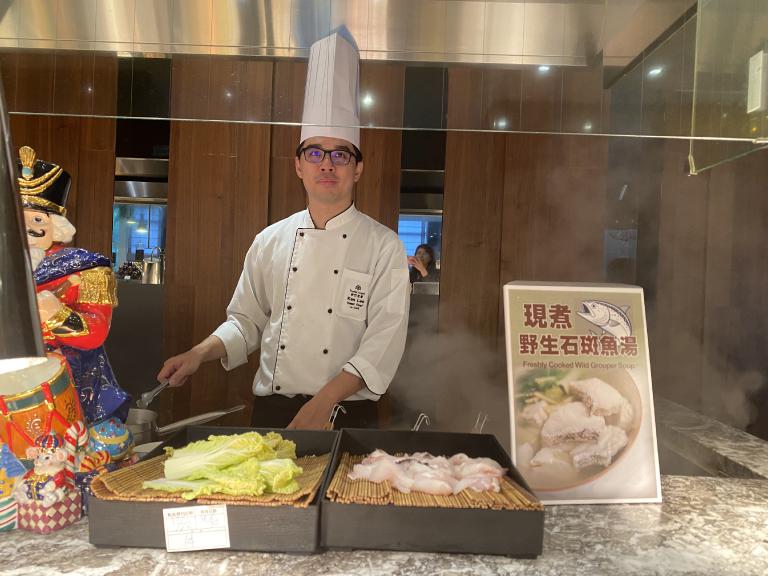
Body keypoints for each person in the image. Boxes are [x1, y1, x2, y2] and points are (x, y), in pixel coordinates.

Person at [158, 31, 411, 430]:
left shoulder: (384, 246)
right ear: (298, 165)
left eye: (340, 154)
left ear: (358, 168)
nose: (326, 164)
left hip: (345, 415)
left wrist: (323, 403)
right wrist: (199, 353)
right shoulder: (270, 241)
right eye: (315, 152)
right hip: (273, 412)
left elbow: (384, 342)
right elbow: (245, 322)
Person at [18, 146, 130, 424]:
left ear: (56, 226)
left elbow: (96, 331)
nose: (26, 229)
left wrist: (58, 315)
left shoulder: (88, 268)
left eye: (37, 220)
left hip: (71, 384)